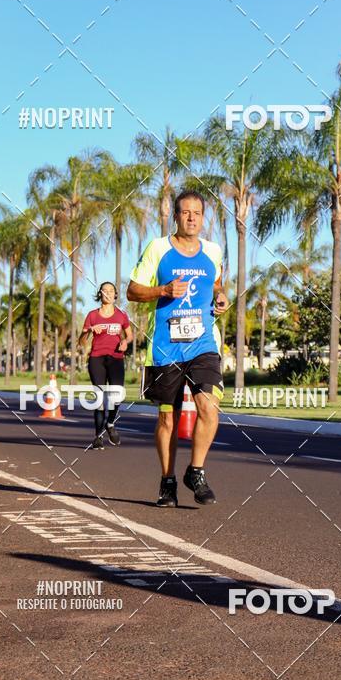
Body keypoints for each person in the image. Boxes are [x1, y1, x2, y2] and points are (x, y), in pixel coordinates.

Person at [127, 190, 228, 507]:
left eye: (197, 213)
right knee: (168, 419)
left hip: (203, 344)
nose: (192, 218)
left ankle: (195, 471)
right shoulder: (158, 248)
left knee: (209, 408)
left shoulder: (212, 250)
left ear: (203, 216)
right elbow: (132, 290)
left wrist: (221, 296)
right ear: (176, 215)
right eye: (186, 212)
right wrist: (163, 290)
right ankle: (168, 481)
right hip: (165, 348)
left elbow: (216, 282)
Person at [79, 282, 133, 450]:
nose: (108, 293)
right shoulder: (92, 315)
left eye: (111, 291)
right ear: (100, 294)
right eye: (105, 290)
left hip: (116, 358)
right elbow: (81, 342)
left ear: (115, 295)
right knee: (100, 399)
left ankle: (110, 423)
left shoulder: (121, 315)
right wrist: (89, 331)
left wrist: (125, 341)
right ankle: (98, 436)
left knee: (117, 395)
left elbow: (130, 335)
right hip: (97, 359)